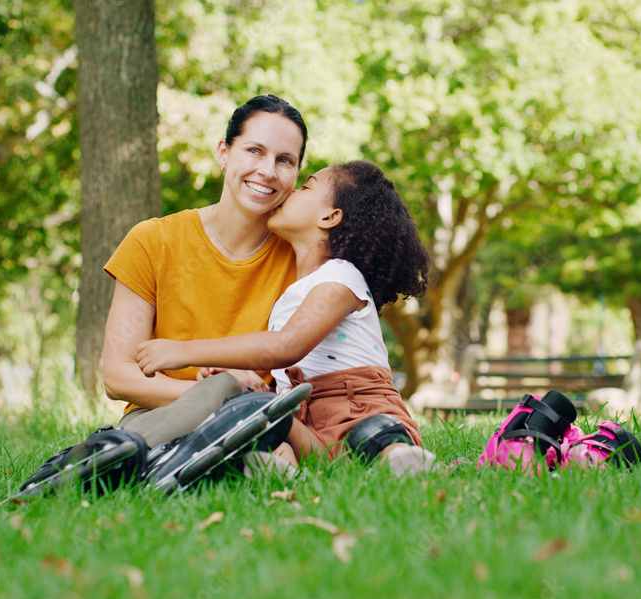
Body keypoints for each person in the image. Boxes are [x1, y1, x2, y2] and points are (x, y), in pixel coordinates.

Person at [12, 95, 308, 498]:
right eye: (254, 150)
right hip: (159, 419)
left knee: (271, 460)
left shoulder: (303, 257)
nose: (267, 170)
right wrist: (219, 394)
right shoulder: (154, 241)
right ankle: (112, 461)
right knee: (226, 412)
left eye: (285, 160)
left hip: (253, 425)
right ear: (224, 153)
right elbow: (119, 377)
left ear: (296, 173)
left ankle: (159, 467)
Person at [135, 160, 436, 475]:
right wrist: (245, 378)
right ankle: (283, 471)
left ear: (330, 217)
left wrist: (182, 351)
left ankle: (398, 457)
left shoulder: (342, 278)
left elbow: (285, 346)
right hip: (308, 425)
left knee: (371, 435)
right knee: (257, 417)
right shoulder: (289, 298)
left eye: (306, 187)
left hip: (358, 410)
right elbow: (286, 362)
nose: (290, 191)